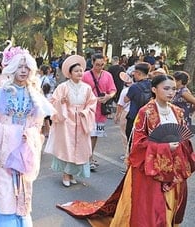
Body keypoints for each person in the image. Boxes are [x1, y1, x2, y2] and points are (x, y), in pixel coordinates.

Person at [59, 74, 195, 226]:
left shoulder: (178, 111)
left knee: (171, 201)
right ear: (154, 89)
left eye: (174, 89)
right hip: (150, 167)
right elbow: (139, 143)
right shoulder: (146, 112)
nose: (171, 92)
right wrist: (164, 147)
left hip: (173, 165)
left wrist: (180, 144)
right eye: (166, 88)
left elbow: (183, 136)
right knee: (151, 205)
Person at [0, 47, 53, 226]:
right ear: (12, 68)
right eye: (19, 67)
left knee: (24, 191)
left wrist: (31, 135)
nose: (23, 71)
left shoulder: (35, 96)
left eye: (27, 67)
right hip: (4, 152)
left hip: (25, 152)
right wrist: (12, 134)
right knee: (4, 193)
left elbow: (37, 124)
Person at [44, 55, 97, 187]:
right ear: (70, 73)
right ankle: (66, 174)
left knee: (80, 148)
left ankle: (73, 173)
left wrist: (85, 112)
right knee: (67, 147)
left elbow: (92, 103)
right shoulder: (63, 87)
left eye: (81, 71)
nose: (79, 73)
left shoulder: (87, 88)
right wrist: (61, 103)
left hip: (81, 119)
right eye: (76, 71)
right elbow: (53, 101)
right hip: (66, 119)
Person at [81, 54, 116, 170]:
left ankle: (89, 157)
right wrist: (92, 99)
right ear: (92, 62)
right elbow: (79, 90)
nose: (99, 67)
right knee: (86, 134)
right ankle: (84, 157)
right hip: (87, 109)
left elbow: (113, 90)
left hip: (101, 110)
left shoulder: (108, 75)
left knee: (95, 135)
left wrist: (108, 96)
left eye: (102, 65)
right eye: (97, 65)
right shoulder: (85, 75)